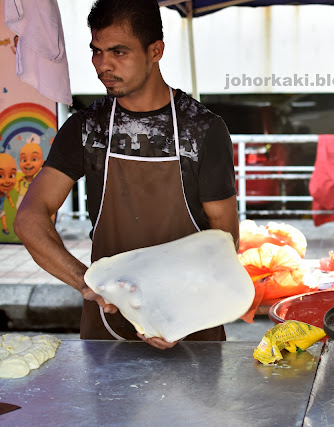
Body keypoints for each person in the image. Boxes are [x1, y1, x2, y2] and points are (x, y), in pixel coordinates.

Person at [14, 0, 239, 350]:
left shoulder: (203, 130)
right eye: (97, 51)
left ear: (156, 51)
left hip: (191, 331)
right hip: (108, 329)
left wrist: (177, 314)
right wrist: (86, 284)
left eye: (119, 51)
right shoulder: (86, 129)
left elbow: (224, 240)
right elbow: (29, 218)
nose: (103, 65)